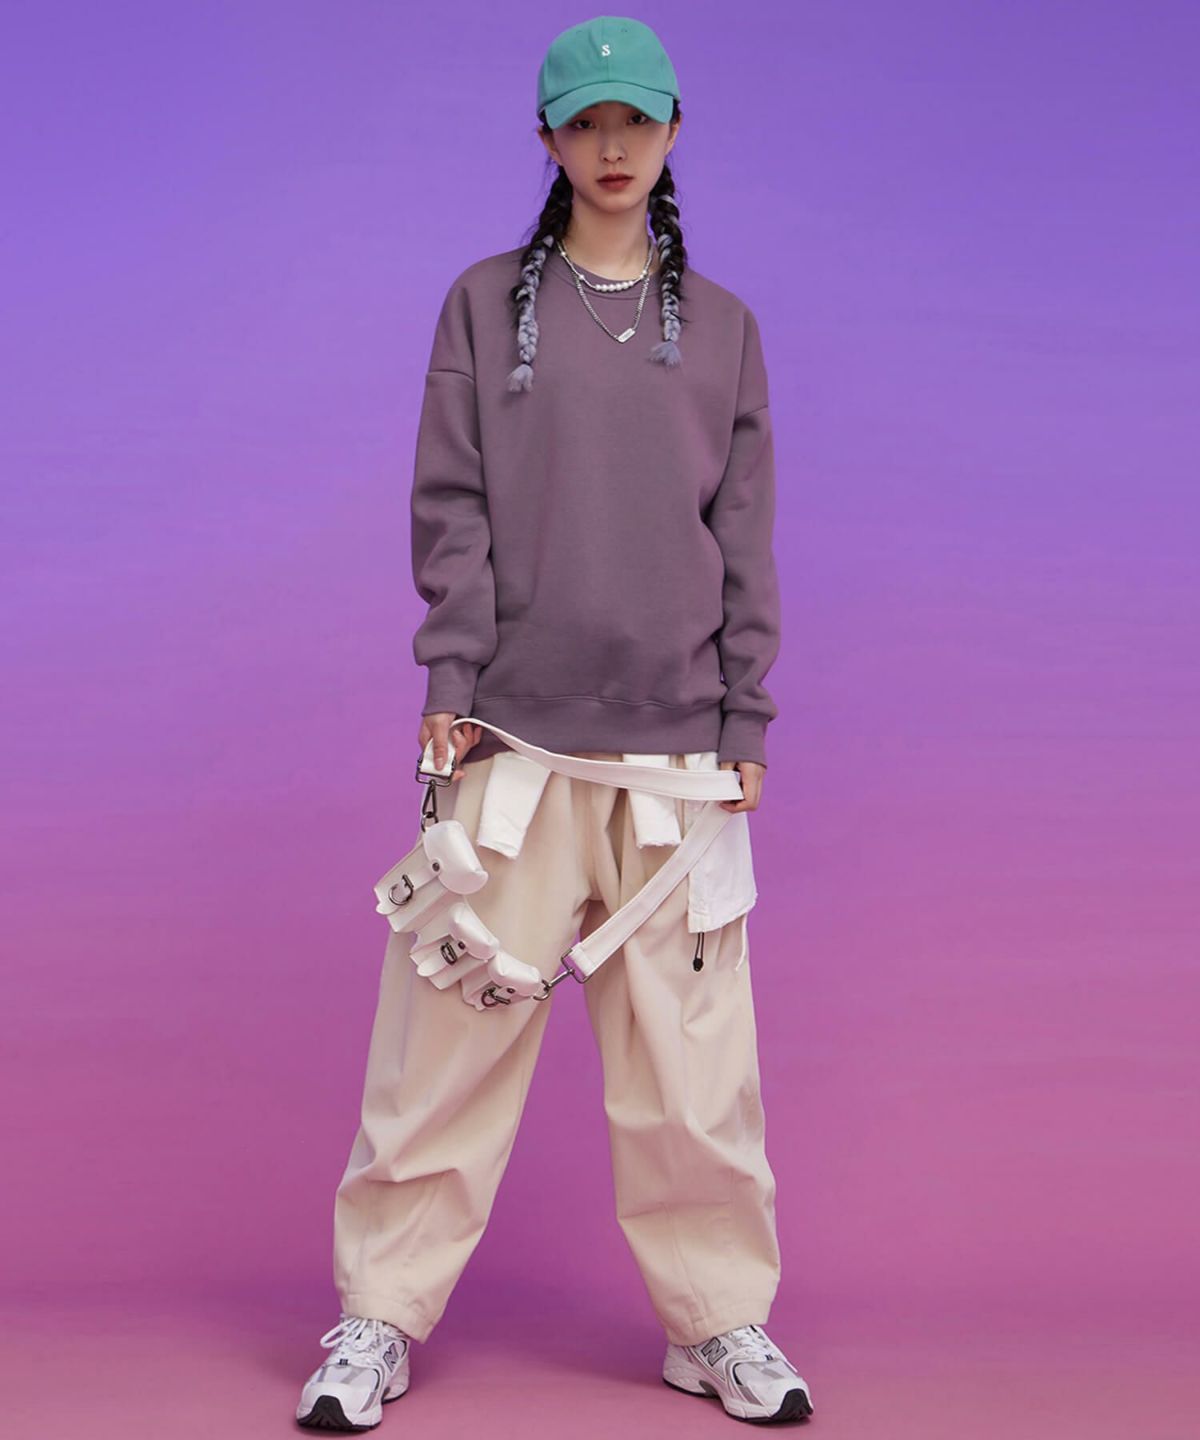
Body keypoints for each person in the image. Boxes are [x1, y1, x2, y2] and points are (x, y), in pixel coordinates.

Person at [296, 15, 814, 1430]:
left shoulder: (726, 331)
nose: (611, 146)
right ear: (547, 139)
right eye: (585, 123)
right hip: (510, 746)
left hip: (678, 761)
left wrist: (746, 711)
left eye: (634, 120)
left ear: (674, 130)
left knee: (695, 1072)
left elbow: (745, 536)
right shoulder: (479, 308)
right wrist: (450, 682)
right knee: (440, 1055)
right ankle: (377, 1316)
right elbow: (451, 507)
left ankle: (718, 1324)